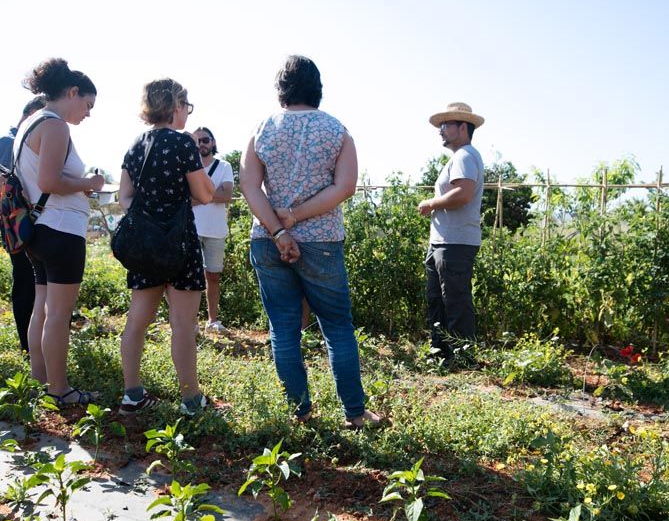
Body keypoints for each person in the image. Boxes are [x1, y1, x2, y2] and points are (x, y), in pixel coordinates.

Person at [240, 55, 383, 429]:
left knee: (283, 327)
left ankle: (298, 411)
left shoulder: (262, 129)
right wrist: (297, 216)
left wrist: (279, 229)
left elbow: (249, 186)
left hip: (268, 240)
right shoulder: (337, 131)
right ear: (317, 87)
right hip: (321, 241)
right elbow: (345, 187)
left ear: (281, 89)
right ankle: (354, 412)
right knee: (336, 326)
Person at [117, 79, 214, 415]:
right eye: (186, 106)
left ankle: (132, 394)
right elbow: (205, 194)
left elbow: (124, 198)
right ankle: (190, 399)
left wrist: (149, 215)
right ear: (176, 105)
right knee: (183, 324)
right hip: (180, 243)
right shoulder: (183, 143)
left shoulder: (136, 144)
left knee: (136, 321)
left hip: (144, 245)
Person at [15, 59, 104, 407]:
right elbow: (50, 181)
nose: (88, 113)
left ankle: (40, 379)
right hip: (61, 230)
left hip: (37, 231)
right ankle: (60, 389)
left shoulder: (29, 124)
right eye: (88, 104)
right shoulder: (55, 126)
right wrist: (90, 184)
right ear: (71, 92)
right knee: (58, 315)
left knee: (42, 309)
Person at [417, 102, 486, 367]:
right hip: (443, 241)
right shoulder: (458, 157)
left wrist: (431, 203)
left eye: (446, 125)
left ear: (463, 127)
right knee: (438, 299)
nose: (440, 131)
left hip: (455, 242)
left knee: (455, 300)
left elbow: (463, 194)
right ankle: (441, 352)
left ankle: (463, 358)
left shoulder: (465, 156)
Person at [0, 95, 48, 352]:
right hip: (21, 226)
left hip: (40, 225)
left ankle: (42, 343)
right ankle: (28, 346)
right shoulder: (9, 141)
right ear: (31, 114)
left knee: (41, 287)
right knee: (26, 284)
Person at [190, 126, 234, 333]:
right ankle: (191, 322)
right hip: (191, 228)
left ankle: (212, 321)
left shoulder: (224, 166)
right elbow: (182, 200)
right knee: (193, 276)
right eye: (197, 141)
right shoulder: (188, 167)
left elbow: (226, 195)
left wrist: (198, 196)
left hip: (216, 230)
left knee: (213, 276)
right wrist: (210, 195)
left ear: (213, 142)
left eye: (205, 140)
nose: (201, 145)